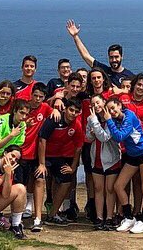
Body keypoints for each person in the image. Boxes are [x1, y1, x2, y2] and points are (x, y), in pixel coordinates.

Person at [105, 96, 143, 234]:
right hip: (132, 156)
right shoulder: (114, 121)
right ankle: (128, 216)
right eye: (109, 110)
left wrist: (108, 120)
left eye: (113, 108)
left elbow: (120, 136)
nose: (112, 112)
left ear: (120, 106)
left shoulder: (129, 116)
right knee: (118, 186)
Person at [38, 96, 84, 224]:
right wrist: (41, 164)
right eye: (71, 110)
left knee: (66, 181)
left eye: (76, 111)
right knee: (41, 179)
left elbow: (79, 147)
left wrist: (73, 167)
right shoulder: (54, 119)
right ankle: (36, 215)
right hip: (44, 155)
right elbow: (42, 140)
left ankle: (53, 214)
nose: (73, 113)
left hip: (59, 157)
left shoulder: (77, 124)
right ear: (65, 109)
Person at [17, 82, 53, 230]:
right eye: (35, 95)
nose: (37, 99)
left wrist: (55, 110)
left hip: (37, 153)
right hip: (21, 152)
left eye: (41, 97)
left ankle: (37, 218)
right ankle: (17, 217)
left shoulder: (45, 108)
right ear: (31, 94)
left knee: (39, 180)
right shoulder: (23, 109)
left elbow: (53, 112)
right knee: (20, 186)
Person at [86, 95, 123, 231]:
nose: (96, 105)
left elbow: (105, 137)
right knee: (98, 189)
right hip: (96, 159)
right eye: (93, 103)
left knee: (110, 189)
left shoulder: (110, 119)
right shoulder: (91, 118)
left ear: (104, 102)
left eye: (98, 102)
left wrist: (95, 125)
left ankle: (109, 217)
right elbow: (88, 138)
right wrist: (93, 129)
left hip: (111, 159)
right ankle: (99, 217)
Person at [66, 19, 134, 88]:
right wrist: (75, 37)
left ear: (121, 57)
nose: (113, 60)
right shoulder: (103, 70)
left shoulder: (130, 76)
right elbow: (86, 56)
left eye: (116, 57)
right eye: (111, 57)